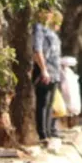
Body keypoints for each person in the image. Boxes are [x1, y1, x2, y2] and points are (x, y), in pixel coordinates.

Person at [33, 9, 62, 141]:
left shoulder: (51, 31)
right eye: (46, 12)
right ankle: (42, 134)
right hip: (45, 70)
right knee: (43, 102)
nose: (49, 15)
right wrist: (43, 70)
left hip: (55, 71)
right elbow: (37, 50)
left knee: (50, 103)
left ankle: (49, 131)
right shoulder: (39, 29)